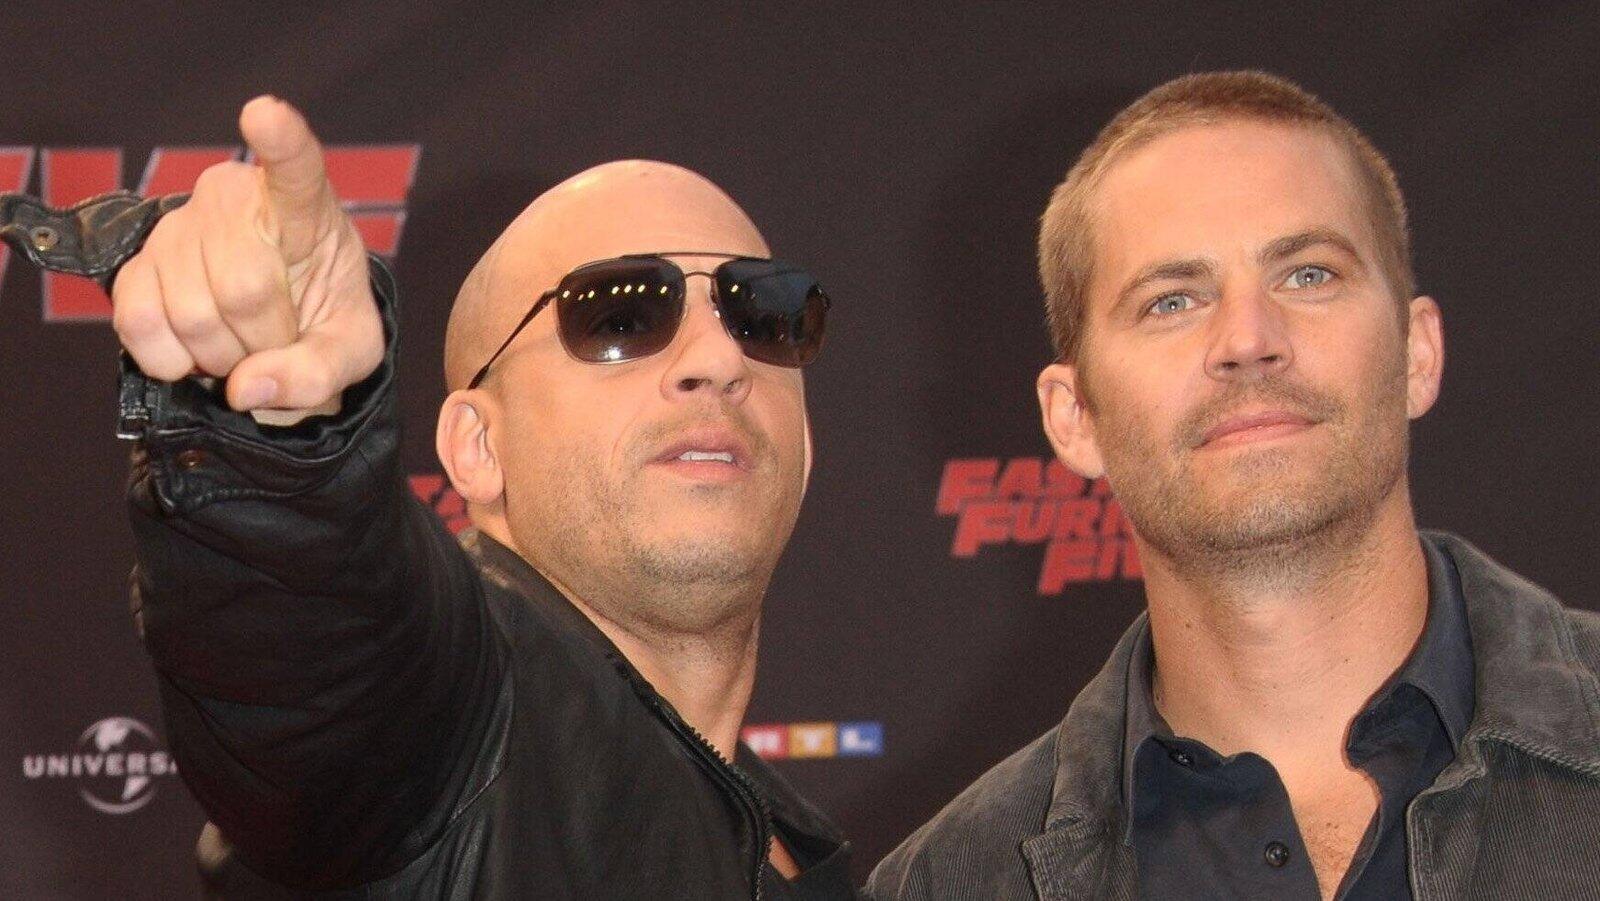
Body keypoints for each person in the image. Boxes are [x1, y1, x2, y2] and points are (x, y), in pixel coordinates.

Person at [81, 95, 853, 898]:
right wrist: (275, 434)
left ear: (803, 451)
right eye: (620, 314)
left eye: (762, 314)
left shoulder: (826, 859)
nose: (718, 361)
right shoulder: (448, 726)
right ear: (478, 446)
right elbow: (324, 634)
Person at [867, 71, 1600, 900]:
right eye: (1172, 300)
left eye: (1308, 275)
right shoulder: (951, 882)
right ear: (1074, 417)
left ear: (1417, 353)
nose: (1249, 339)